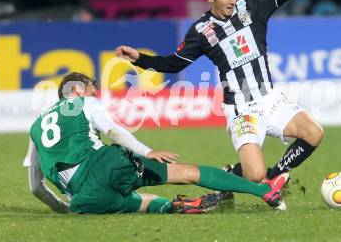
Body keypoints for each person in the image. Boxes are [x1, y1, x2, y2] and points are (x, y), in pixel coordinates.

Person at [115, 0, 324, 210]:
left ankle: (275, 176)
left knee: (314, 132)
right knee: (253, 175)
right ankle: (239, 174)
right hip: (242, 109)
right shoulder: (202, 31)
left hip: (270, 99)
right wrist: (140, 60)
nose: (232, 1)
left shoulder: (252, 5)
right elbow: (174, 63)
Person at [24, 72, 290, 214]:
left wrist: (64, 208)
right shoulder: (84, 102)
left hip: (82, 199)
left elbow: (35, 187)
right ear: (76, 90)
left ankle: (176, 207)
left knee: (137, 201)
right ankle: (263, 191)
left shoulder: (35, 127)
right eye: (91, 85)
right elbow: (114, 132)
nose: (96, 89)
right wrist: (147, 151)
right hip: (103, 167)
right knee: (187, 173)